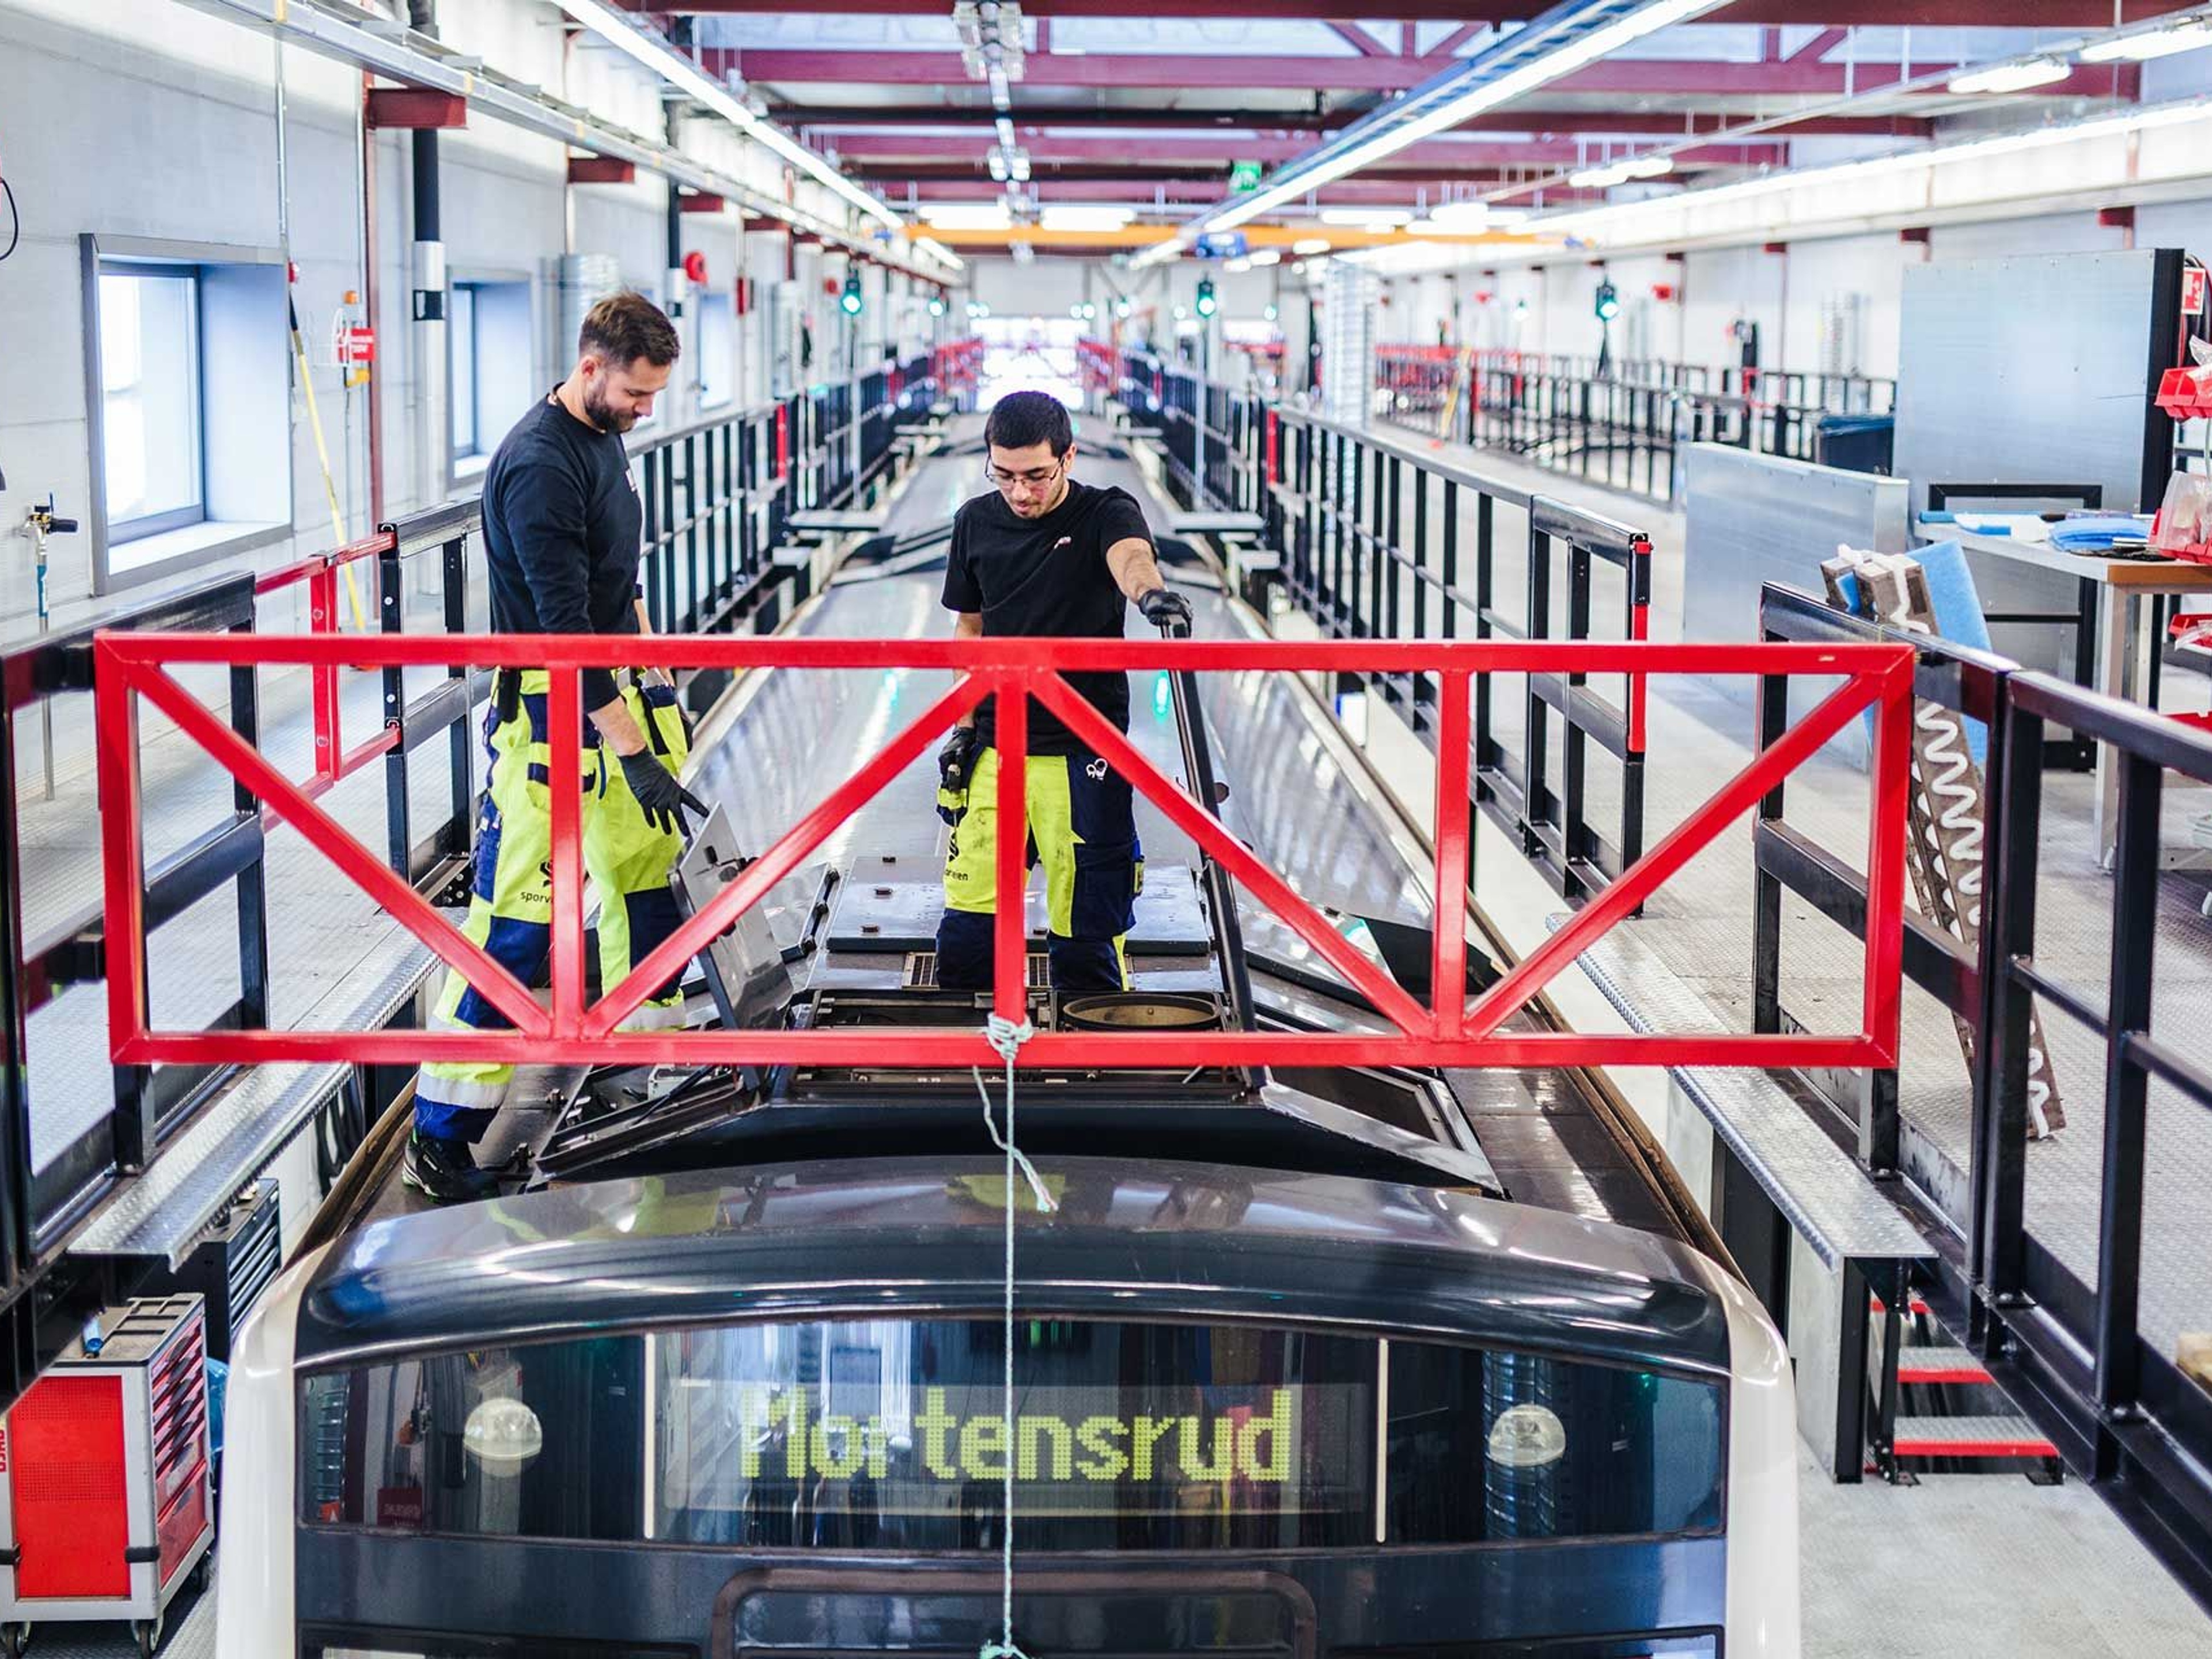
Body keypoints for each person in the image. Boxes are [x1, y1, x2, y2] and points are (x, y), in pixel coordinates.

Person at [407, 290, 706, 1203]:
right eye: (636, 394)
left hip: (616, 704)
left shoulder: (603, 439)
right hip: (555, 725)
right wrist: (632, 748)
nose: (644, 411)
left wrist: (656, 684)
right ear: (589, 366)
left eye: (655, 396)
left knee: (650, 892)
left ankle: (634, 1078)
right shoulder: (539, 466)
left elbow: (622, 584)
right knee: (524, 933)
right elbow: (565, 636)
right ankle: (442, 1131)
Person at [933, 391, 1188, 994]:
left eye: (1036, 476)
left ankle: (1098, 1063)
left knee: (1087, 932)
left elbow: (1130, 558)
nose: (1020, 493)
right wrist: (963, 728)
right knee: (969, 924)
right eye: (1005, 476)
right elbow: (970, 628)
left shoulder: (1105, 512)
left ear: (1069, 458)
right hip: (997, 749)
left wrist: (1150, 595)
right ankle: (961, 1062)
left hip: (1084, 750)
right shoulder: (974, 520)